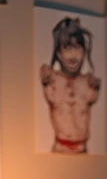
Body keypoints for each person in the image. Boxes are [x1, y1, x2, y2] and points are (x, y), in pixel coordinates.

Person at [40, 17, 100, 154]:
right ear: (59, 54)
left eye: (77, 47)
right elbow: (50, 94)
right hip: (59, 148)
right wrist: (45, 81)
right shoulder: (52, 80)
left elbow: (92, 97)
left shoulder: (88, 82)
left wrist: (95, 87)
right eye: (67, 48)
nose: (73, 54)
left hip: (83, 149)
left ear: (84, 51)